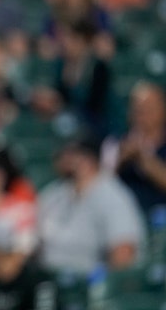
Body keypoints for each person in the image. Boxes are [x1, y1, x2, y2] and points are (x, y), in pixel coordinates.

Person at [37, 137, 146, 276]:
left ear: (91, 159)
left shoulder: (113, 196)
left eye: (74, 154)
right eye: (64, 154)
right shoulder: (54, 193)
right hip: (48, 277)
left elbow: (123, 253)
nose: (66, 159)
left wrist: (103, 289)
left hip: (86, 283)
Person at [112, 81, 166, 219]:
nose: (142, 114)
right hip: (123, 216)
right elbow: (100, 186)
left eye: (149, 108)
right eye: (138, 109)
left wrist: (143, 159)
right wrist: (121, 161)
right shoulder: (114, 142)